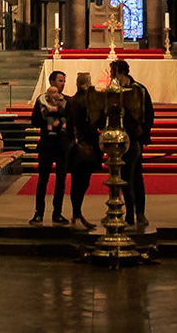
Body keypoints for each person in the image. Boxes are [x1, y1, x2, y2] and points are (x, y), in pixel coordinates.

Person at [108, 58, 155, 228]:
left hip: (134, 139)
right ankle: (125, 212)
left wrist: (143, 131)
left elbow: (148, 113)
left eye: (113, 73)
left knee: (133, 176)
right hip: (117, 140)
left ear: (121, 73)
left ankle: (138, 213)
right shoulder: (113, 89)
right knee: (122, 177)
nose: (111, 77)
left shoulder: (139, 90)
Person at [29, 69, 71, 224]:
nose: (63, 84)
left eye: (64, 81)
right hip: (47, 144)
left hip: (61, 145)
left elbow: (71, 119)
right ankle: (38, 212)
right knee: (43, 179)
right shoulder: (41, 101)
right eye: (60, 81)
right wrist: (48, 120)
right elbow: (34, 121)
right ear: (52, 82)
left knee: (61, 180)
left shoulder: (67, 100)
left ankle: (57, 213)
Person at [66, 71, 101, 229]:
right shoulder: (82, 100)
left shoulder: (75, 100)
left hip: (80, 142)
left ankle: (77, 213)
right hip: (84, 143)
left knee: (79, 181)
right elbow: (92, 120)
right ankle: (77, 212)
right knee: (81, 181)